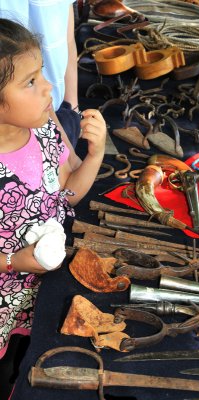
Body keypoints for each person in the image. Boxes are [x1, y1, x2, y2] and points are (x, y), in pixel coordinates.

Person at [0, 18, 106, 360]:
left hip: (41, 292)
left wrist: (95, 155)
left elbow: (67, 194)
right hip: (3, 298)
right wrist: (13, 261)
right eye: (30, 82)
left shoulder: (45, 130)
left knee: (26, 356)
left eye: (42, 73)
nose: (48, 88)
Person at [0, 0, 82, 156]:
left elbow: (68, 41)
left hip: (51, 112)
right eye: (31, 81)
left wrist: (73, 109)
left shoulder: (48, 135)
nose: (48, 85)